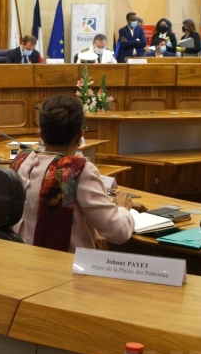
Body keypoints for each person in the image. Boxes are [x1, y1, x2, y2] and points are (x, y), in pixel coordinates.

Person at [10, 95, 135, 252]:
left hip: (19, 257)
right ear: (80, 135)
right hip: (64, 264)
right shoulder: (77, 171)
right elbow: (118, 232)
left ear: (40, 134)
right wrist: (123, 208)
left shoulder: (21, 162)